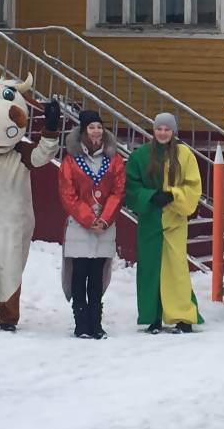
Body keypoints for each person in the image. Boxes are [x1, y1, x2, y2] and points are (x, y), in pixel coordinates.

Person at [124, 112, 203, 333]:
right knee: (150, 269)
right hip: (150, 220)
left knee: (176, 268)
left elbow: (193, 186)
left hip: (174, 220)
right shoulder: (140, 156)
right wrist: (150, 196)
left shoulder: (184, 154)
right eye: (159, 128)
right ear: (153, 130)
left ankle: (182, 316)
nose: (163, 132)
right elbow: (131, 186)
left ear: (173, 131)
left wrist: (174, 195)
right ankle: (153, 316)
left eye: (167, 129)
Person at [58, 110, 126, 339]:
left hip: (105, 225)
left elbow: (118, 192)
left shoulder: (114, 159)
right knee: (79, 273)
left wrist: (104, 219)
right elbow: (68, 194)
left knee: (97, 275)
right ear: (83, 131)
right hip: (79, 224)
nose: (96, 131)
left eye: (99, 126)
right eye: (91, 127)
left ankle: (96, 323)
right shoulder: (71, 160)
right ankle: (81, 323)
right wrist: (88, 219)